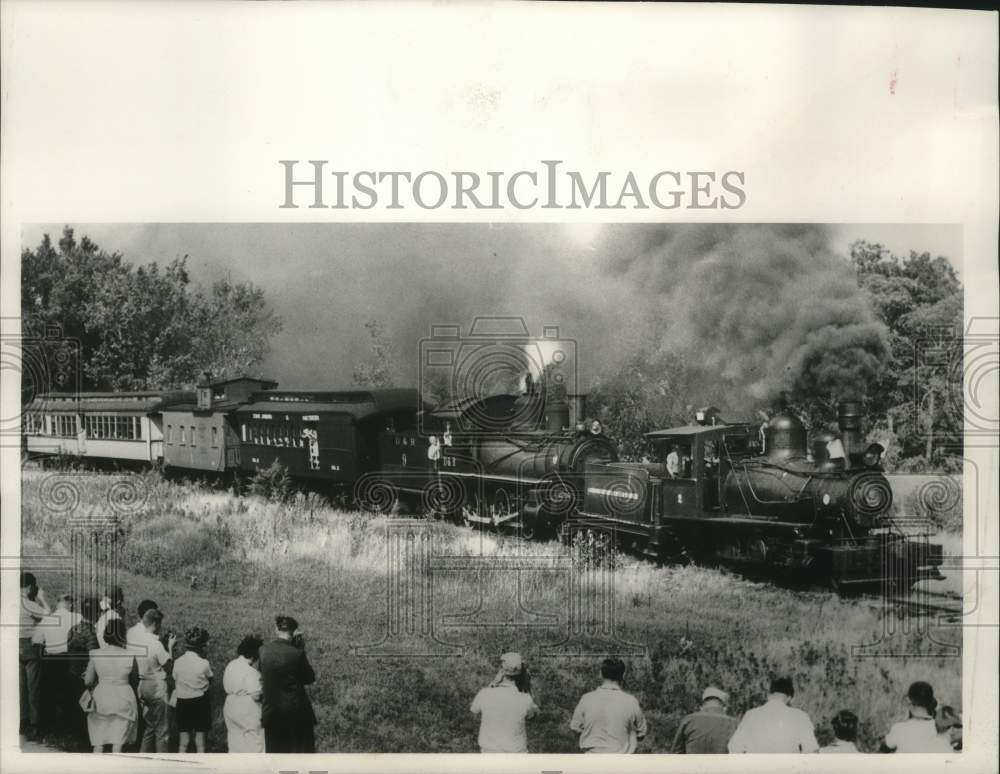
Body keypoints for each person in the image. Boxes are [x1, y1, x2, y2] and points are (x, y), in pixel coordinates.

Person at [259, 615, 316, 753]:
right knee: (298, 753)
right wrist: (300, 649)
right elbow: (309, 678)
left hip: (271, 711)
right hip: (294, 713)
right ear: (293, 632)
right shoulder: (297, 654)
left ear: (276, 629)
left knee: (274, 753)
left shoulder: (263, 650)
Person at [570, 658, 648, 754]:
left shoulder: (586, 698)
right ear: (623, 675)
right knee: (632, 730)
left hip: (591, 759)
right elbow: (641, 733)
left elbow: (575, 727)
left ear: (601, 674)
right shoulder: (631, 701)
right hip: (620, 760)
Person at [84, 618, 139, 753]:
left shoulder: (95, 654)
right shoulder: (130, 655)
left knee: (98, 742)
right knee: (118, 742)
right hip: (124, 697)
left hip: (101, 697)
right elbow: (135, 681)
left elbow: (88, 681)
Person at [727, 676, 819, 754]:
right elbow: (812, 750)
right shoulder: (800, 716)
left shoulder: (751, 715)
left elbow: (734, 747)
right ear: (790, 698)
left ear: (769, 695)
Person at [470, 652, 539, 753]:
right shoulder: (525, 698)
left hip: (489, 752)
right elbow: (533, 716)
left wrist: (493, 683)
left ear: (501, 672)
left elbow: (474, 710)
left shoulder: (485, 693)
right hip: (516, 754)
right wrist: (527, 689)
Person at [33, 593, 83, 734]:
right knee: (70, 695)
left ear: (57, 604)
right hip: (68, 659)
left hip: (50, 660)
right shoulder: (77, 618)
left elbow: (36, 640)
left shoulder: (47, 620)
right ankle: (69, 727)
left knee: (48, 695)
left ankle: (44, 727)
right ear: (71, 604)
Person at [128, 608, 176, 752]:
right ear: (155, 623)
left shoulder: (138, 641)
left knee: (149, 728)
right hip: (157, 688)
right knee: (162, 730)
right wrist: (170, 648)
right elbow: (170, 667)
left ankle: (143, 760)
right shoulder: (157, 645)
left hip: (142, 686)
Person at [66, 596, 100, 751]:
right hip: (84, 676)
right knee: (85, 711)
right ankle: (85, 742)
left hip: (71, 673)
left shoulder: (73, 629)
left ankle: (73, 739)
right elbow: (94, 656)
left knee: (74, 708)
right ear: (95, 614)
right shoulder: (91, 632)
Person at [19, 572, 50, 740]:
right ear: (30, 587)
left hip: (15, 645)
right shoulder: (29, 604)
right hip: (30, 647)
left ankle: (22, 721)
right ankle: (34, 724)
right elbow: (48, 614)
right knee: (33, 688)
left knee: (20, 687)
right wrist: (42, 598)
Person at [173, 626, 213, 753]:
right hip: (200, 702)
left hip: (182, 702)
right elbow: (210, 679)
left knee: (183, 742)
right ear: (202, 646)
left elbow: (175, 678)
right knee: (200, 742)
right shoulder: (204, 663)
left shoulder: (178, 662)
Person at [223, 635, 265, 752]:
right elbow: (256, 695)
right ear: (254, 655)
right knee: (254, 741)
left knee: (235, 741)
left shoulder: (231, 665)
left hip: (230, 705)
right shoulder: (250, 672)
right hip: (246, 708)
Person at [882, 681, 950, 753]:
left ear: (910, 701)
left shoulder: (899, 728)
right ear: (931, 701)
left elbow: (884, 748)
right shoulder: (941, 730)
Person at [671, 686, 738, 754]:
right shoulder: (734, 723)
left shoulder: (688, 720)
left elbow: (676, 753)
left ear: (702, 707)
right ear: (724, 708)